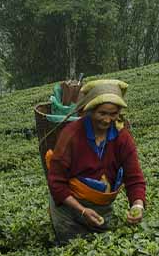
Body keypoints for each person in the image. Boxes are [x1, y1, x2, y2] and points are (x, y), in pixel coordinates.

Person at [46, 79, 147, 245]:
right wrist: (82, 210)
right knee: (72, 251)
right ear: (90, 111)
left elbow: (134, 178)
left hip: (101, 209)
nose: (107, 120)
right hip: (69, 208)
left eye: (113, 114)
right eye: (102, 113)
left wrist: (137, 205)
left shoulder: (122, 138)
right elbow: (56, 182)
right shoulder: (71, 135)